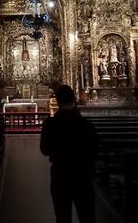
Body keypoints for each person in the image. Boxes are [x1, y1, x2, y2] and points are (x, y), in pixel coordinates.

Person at [40, 85, 97, 223]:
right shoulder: (86, 124)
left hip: (60, 174)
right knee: (87, 216)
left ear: (57, 101)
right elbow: (94, 150)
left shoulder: (50, 124)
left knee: (62, 216)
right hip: (82, 175)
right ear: (74, 100)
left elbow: (45, 149)